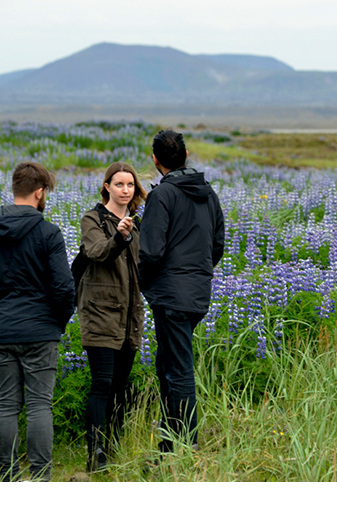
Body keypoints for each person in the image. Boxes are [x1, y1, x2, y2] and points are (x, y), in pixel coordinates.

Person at [0, 162, 75, 482]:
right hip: (41, 330)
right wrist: (55, 323)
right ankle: (41, 478)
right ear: (39, 192)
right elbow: (64, 287)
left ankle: (8, 478)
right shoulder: (48, 232)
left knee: (7, 406)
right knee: (40, 405)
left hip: (2, 329)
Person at [138, 129, 225, 454]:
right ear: (186, 156)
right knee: (167, 363)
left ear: (155, 160)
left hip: (171, 294)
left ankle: (185, 445)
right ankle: (169, 440)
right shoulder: (208, 192)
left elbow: (151, 251)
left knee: (178, 369)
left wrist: (142, 281)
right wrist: (198, 273)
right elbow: (217, 244)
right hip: (197, 292)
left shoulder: (163, 196)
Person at [76, 162, 147, 472]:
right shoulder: (93, 219)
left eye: (130, 185)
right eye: (119, 184)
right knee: (101, 384)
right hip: (101, 312)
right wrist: (119, 237)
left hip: (130, 314)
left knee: (121, 385)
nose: (125, 190)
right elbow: (97, 252)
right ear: (106, 186)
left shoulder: (138, 223)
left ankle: (116, 448)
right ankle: (96, 454)